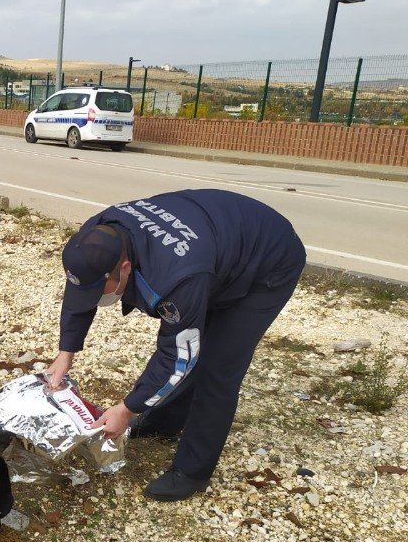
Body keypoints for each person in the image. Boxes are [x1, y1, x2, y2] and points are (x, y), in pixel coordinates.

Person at [47, 189, 306, 501]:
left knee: (217, 366)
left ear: (126, 267)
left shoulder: (176, 277)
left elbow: (178, 354)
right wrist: (66, 352)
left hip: (267, 259)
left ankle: (192, 471)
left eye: (101, 290)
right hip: (217, 241)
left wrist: (128, 410)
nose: (96, 300)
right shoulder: (96, 236)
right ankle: (165, 422)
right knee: (198, 334)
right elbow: (80, 294)